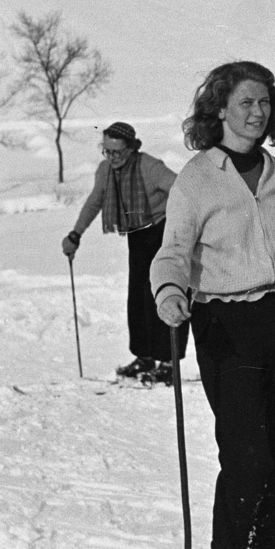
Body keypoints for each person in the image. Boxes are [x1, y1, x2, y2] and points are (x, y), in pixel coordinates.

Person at [150, 61, 275, 549]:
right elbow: (173, 251)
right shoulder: (197, 179)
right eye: (246, 102)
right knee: (247, 450)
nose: (257, 112)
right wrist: (170, 292)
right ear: (219, 108)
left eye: (265, 103)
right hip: (227, 323)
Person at [62, 122, 179, 384]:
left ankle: (169, 363)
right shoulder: (106, 171)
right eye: (107, 151)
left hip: (162, 233)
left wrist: (182, 223)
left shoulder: (150, 167)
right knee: (137, 299)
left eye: (118, 152)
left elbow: (182, 190)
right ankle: (145, 357)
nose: (112, 158)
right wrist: (75, 234)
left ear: (132, 148)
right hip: (137, 235)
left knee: (161, 296)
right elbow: (95, 201)